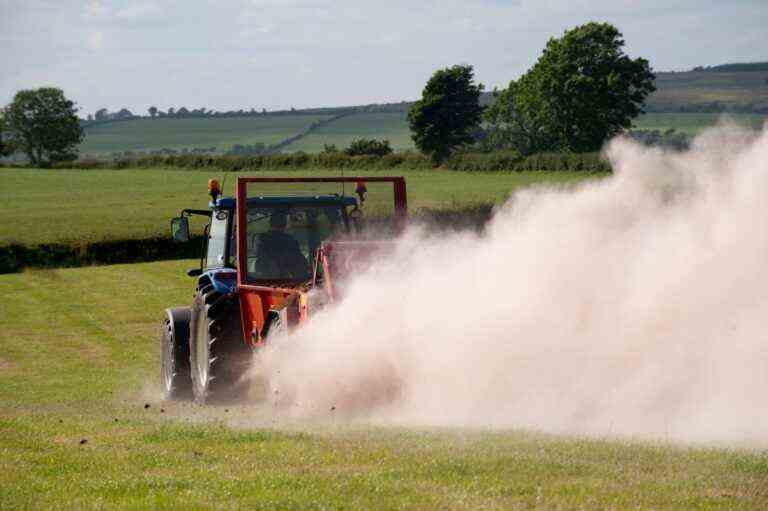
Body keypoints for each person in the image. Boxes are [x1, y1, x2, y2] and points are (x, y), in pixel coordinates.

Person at [255, 210, 309, 280]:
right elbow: (301, 262)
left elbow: (260, 256)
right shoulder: (290, 240)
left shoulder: (262, 239)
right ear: (285, 224)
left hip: (262, 283)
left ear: (270, 223)